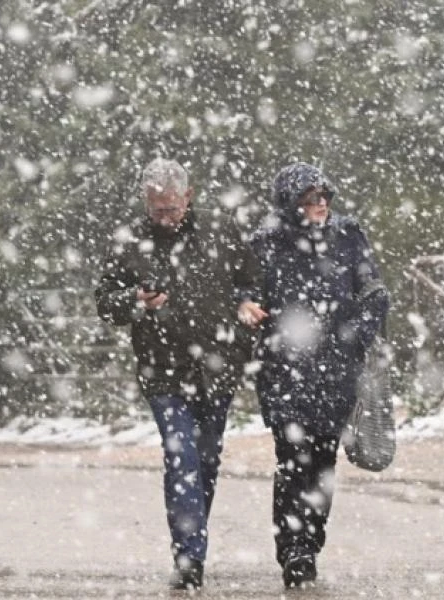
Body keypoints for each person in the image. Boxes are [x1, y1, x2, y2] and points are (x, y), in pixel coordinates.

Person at [94, 158, 267, 591]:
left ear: (188, 197)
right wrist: (135, 300)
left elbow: (252, 280)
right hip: (163, 371)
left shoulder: (222, 231)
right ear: (145, 203)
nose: (166, 218)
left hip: (218, 365)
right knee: (181, 458)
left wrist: (247, 303)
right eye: (157, 210)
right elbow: (105, 302)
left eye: (172, 208)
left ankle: (192, 541)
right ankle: (189, 556)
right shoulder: (129, 240)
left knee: (205, 460)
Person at [250, 162, 390, 588]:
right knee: (293, 460)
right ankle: (293, 549)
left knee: (324, 461)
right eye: (311, 198)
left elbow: (375, 293)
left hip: (336, 370)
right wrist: (251, 312)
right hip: (284, 371)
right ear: (291, 204)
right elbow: (246, 293)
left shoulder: (348, 235)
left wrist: (354, 337)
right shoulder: (266, 242)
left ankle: (311, 540)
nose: (321, 204)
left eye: (324, 195)